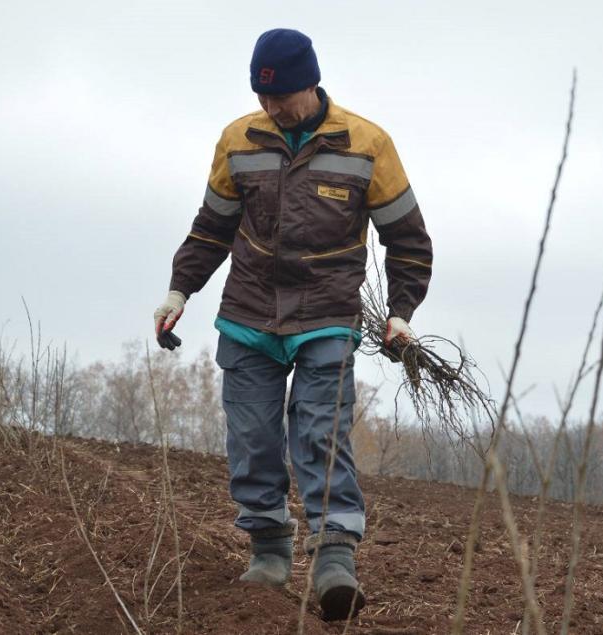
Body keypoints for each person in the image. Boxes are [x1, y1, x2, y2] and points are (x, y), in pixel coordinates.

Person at [152, 28, 432, 621]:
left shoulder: (366, 144)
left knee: (320, 433)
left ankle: (334, 558)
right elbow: (212, 226)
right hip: (250, 313)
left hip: (326, 314)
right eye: (261, 97)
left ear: (311, 82)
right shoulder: (239, 140)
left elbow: (407, 240)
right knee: (251, 436)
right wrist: (180, 289)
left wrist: (401, 313)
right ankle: (270, 545)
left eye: (280, 98)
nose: (271, 109)